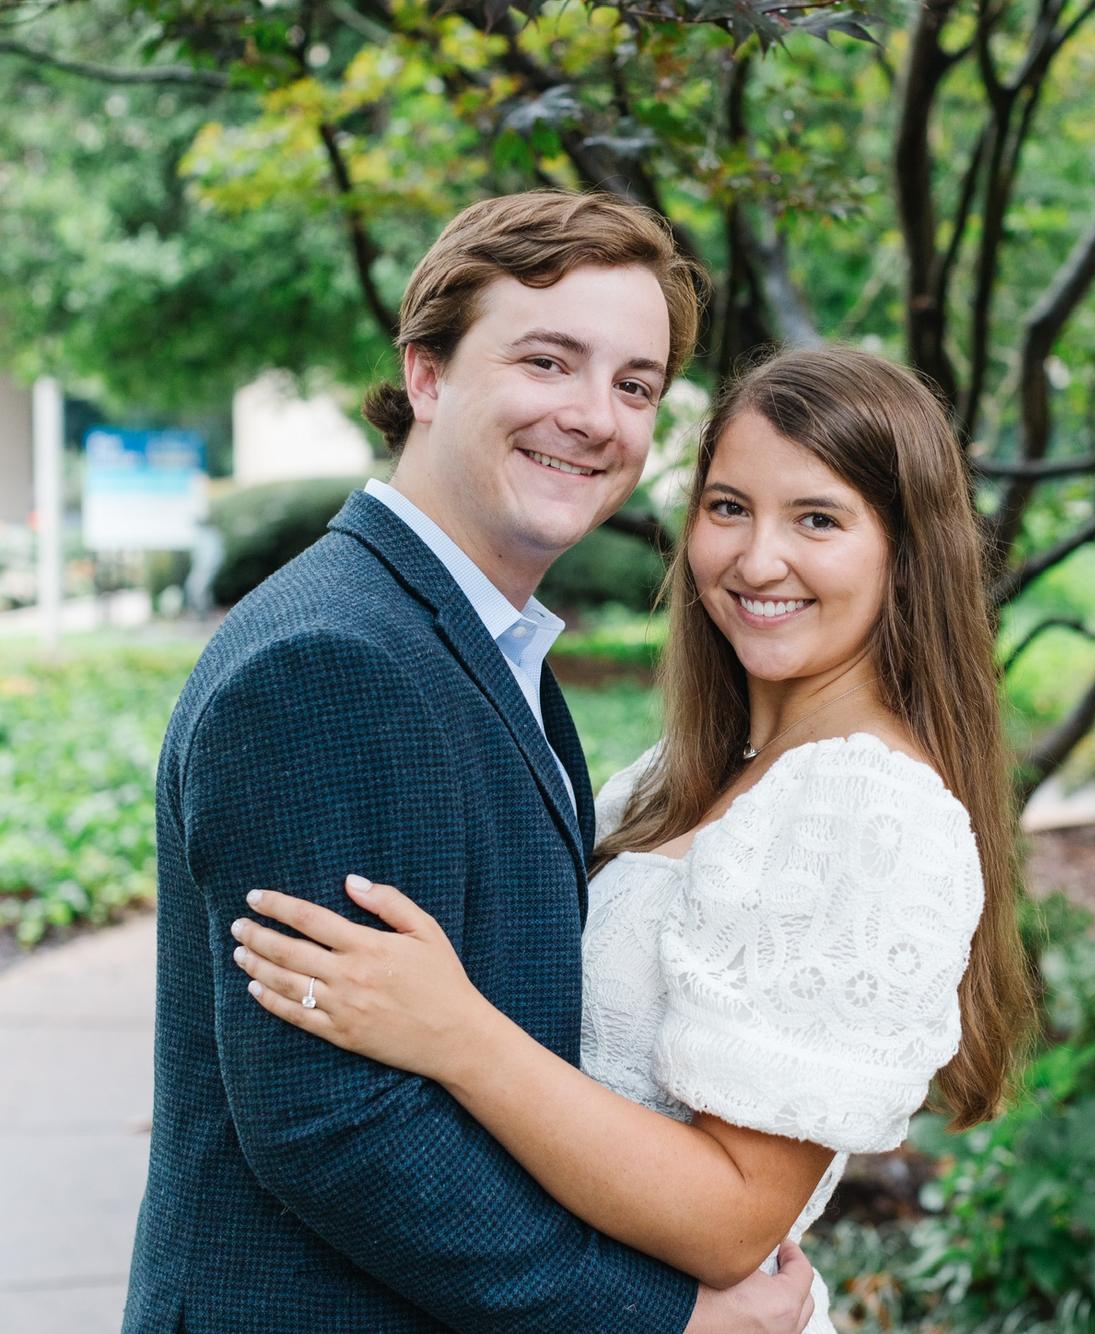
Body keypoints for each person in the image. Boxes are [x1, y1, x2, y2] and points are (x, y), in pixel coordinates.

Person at [229, 345, 1038, 1330]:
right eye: (728, 506)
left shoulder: (864, 808)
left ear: (906, 552)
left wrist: (456, 1034)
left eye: (817, 519)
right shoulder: (684, 772)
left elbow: (732, 1218)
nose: (756, 559)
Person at [124, 190, 820, 1333]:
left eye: (635, 384)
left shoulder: (475, 640)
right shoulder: (329, 662)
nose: (593, 416)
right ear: (427, 374)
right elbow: (334, 1123)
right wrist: (662, 1317)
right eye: (547, 361)